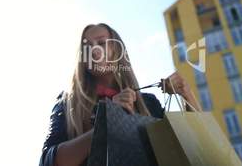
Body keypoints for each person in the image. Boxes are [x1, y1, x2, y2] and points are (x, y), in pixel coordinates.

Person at [39, 23, 201, 166]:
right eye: (86, 46)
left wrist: (186, 93)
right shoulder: (68, 103)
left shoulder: (148, 102)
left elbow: (192, 149)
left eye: (101, 43)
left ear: (117, 49)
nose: (94, 51)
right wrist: (107, 120)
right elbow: (48, 161)